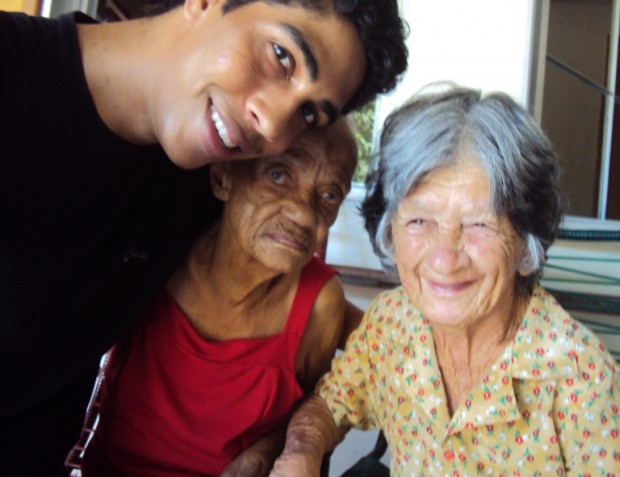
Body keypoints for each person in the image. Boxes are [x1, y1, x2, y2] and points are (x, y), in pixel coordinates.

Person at [0, 1, 408, 475]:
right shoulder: (17, 74)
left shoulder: (214, 160)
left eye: (307, 113)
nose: (273, 126)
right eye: (281, 55)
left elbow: (325, 314)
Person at [269, 85, 620, 476]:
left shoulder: (582, 379)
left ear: (525, 245)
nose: (444, 259)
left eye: (479, 224)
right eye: (420, 220)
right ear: (389, 233)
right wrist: (301, 451)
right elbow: (332, 404)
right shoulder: (392, 321)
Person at [67, 117, 358, 477]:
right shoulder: (158, 253)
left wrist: (271, 449)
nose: (303, 213)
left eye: (329, 195)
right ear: (223, 178)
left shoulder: (319, 302)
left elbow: (322, 405)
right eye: (278, 175)